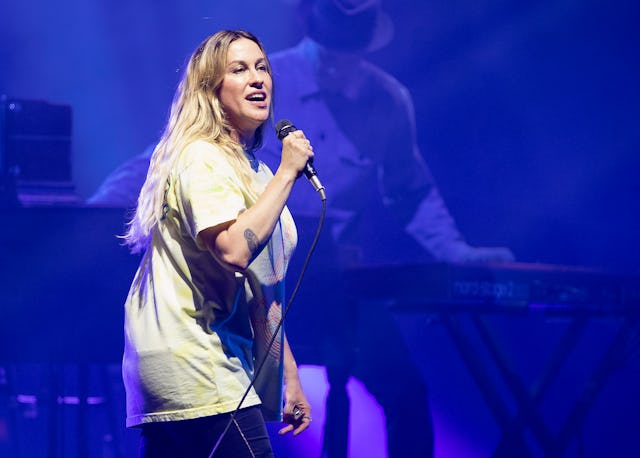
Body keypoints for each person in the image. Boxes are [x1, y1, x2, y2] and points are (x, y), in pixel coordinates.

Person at [256, 1, 516, 457]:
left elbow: (410, 191)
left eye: (349, 55)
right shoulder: (263, 80)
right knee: (235, 400)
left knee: (407, 393)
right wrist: (103, 205)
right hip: (260, 279)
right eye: (328, 53)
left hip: (340, 285)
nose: (339, 66)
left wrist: (456, 251)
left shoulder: (388, 98)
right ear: (306, 23)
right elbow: (187, 149)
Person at [120, 30, 312, 458]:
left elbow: (262, 285)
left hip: (207, 357)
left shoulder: (255, 170)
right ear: (211, 89)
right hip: (195, 356)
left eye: (262, 67)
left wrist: (288, 374)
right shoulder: (200, 157)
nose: (258, 78)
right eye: (239, 69)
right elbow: (233, 251)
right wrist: (288, 173)